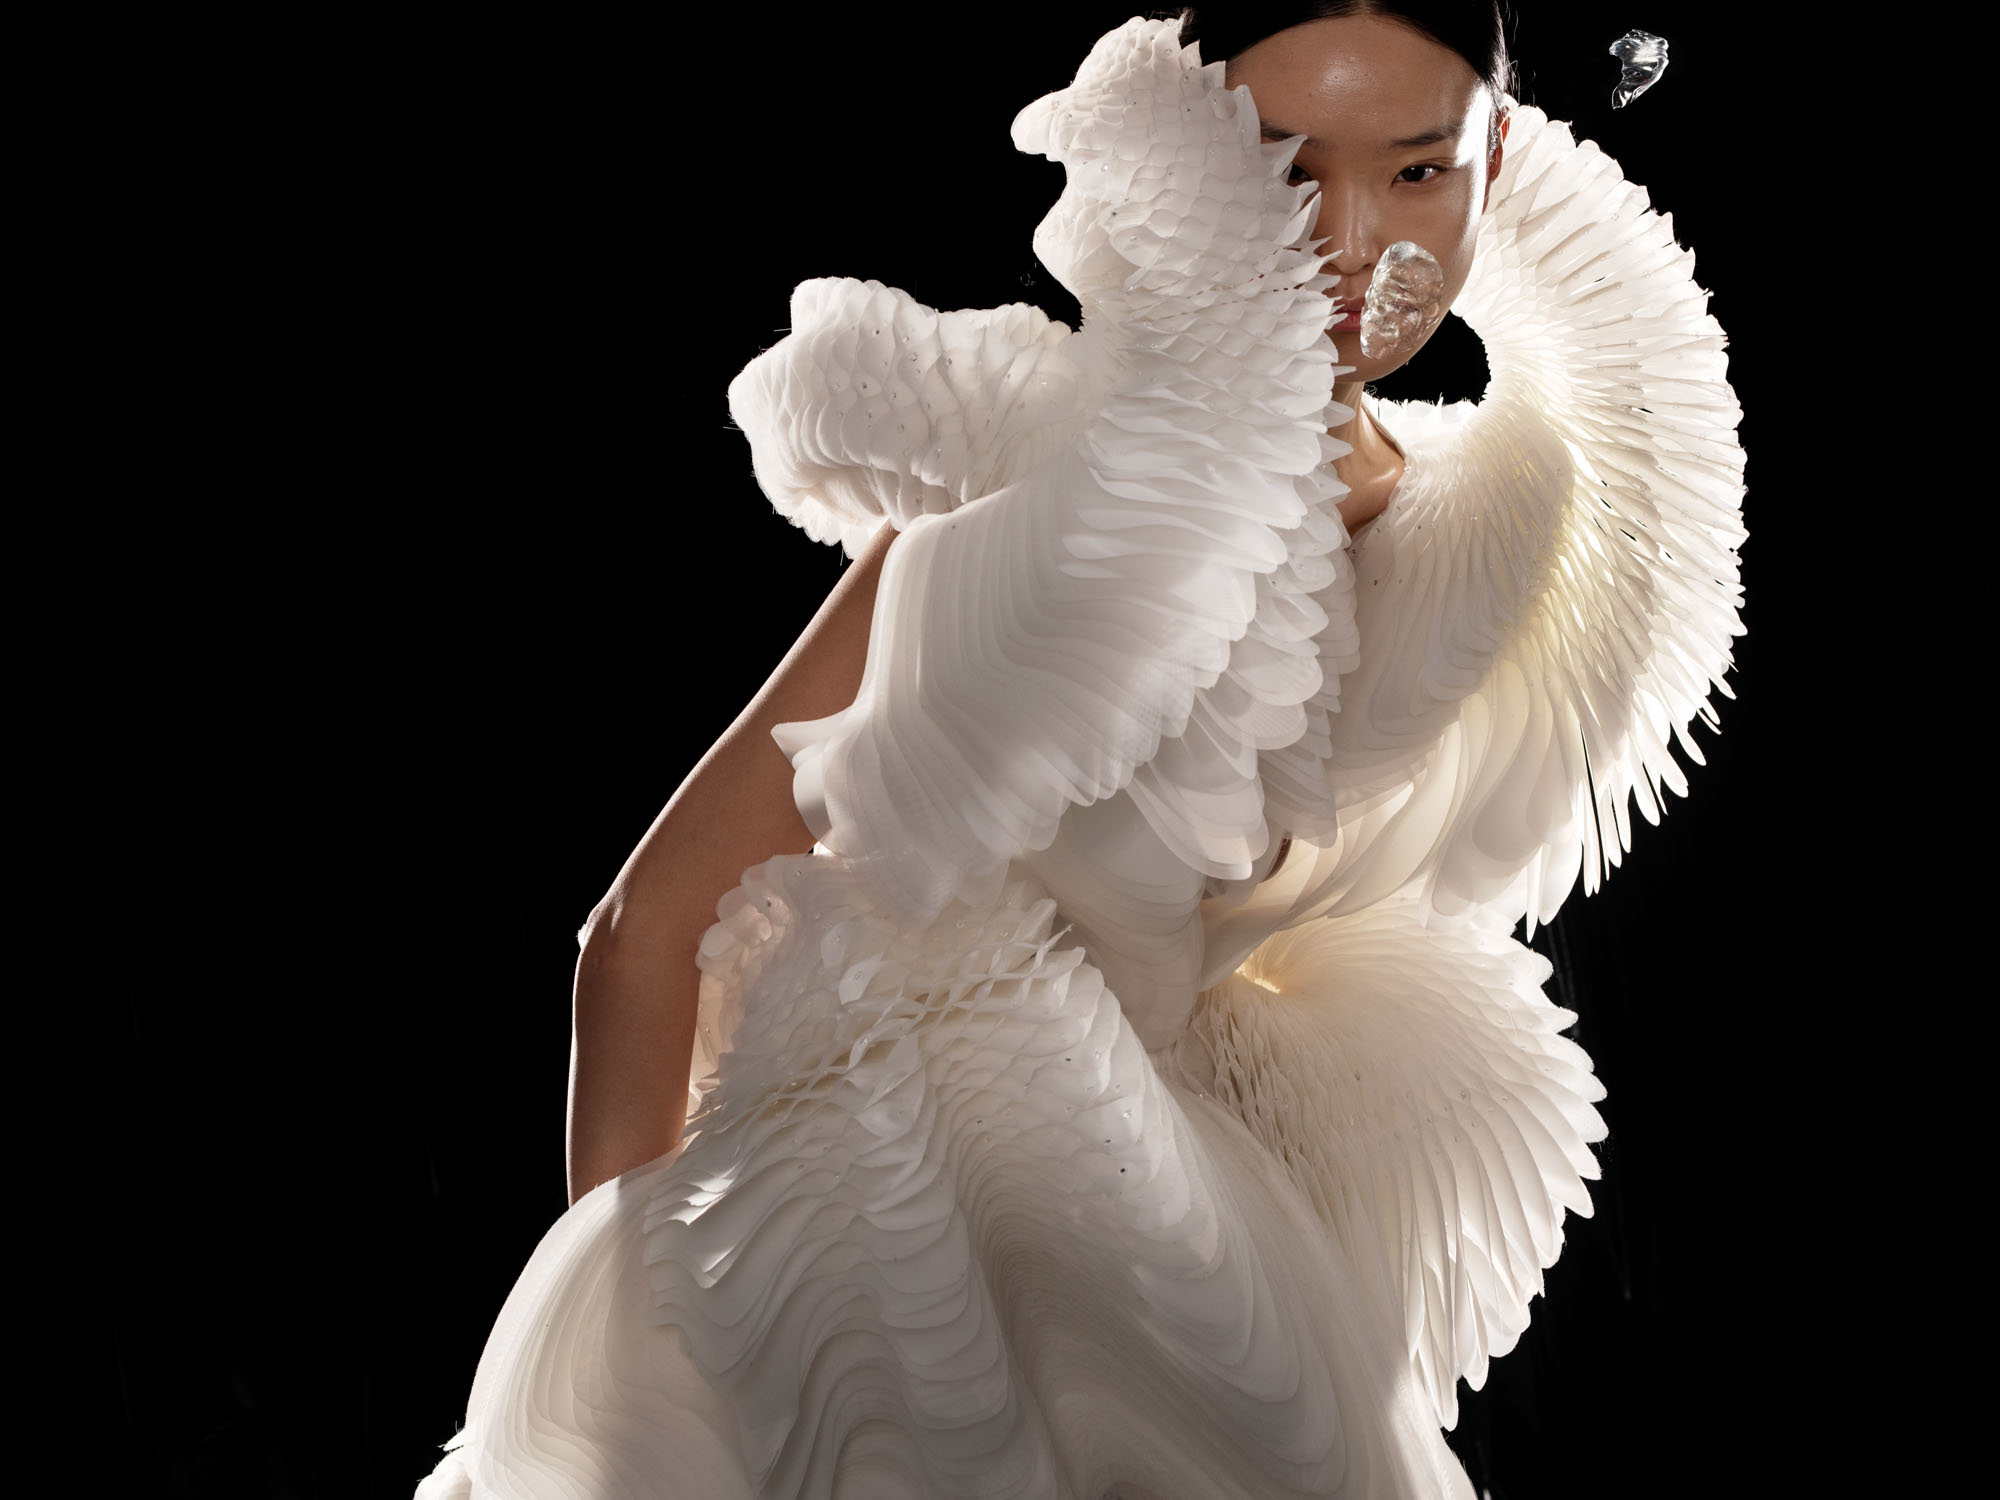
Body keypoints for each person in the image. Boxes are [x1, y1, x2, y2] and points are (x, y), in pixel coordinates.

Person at [418, 5, 1745, 1496]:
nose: (1351, 243)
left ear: (1499, 158)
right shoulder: (1056, 485)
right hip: (899, 1219)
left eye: (1418, 171)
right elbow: (640, 931)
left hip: (1197, 1214)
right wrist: (614, 1399)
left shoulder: (1489, 528)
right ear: (1184, 154)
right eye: (1284, 167)